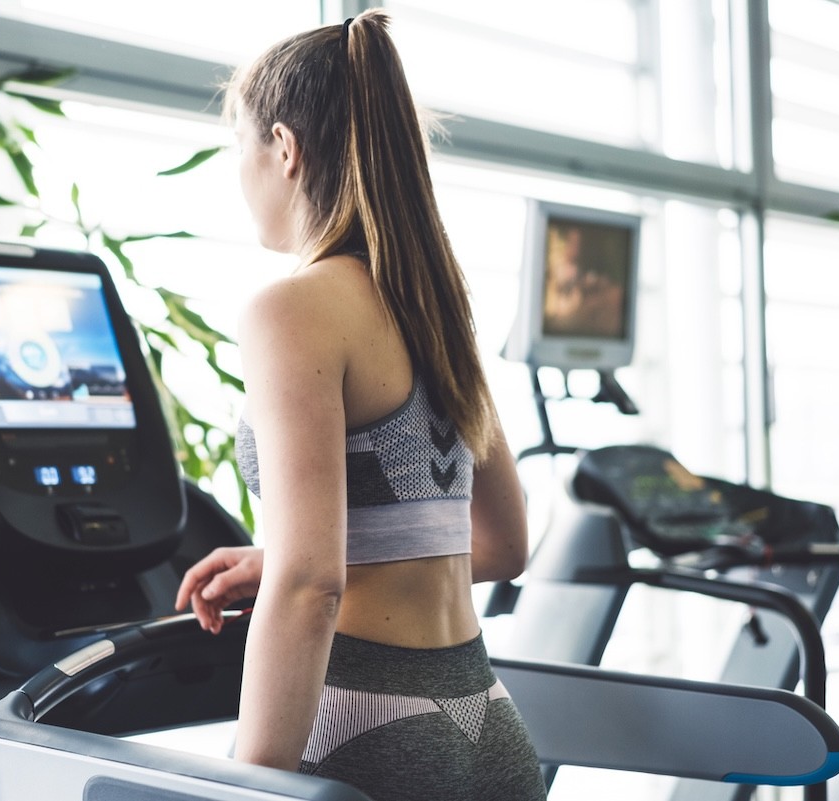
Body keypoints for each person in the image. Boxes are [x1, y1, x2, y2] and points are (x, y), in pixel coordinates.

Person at [174, 10, 547, 800]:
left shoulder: (293, 309)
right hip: (489, 727)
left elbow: (313, 585)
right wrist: (279, 562)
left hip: (370, 728)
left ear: (283, 148)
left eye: (238, 146)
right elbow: (504, 544)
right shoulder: (433, 305)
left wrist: (248, 788)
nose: (238, 173)